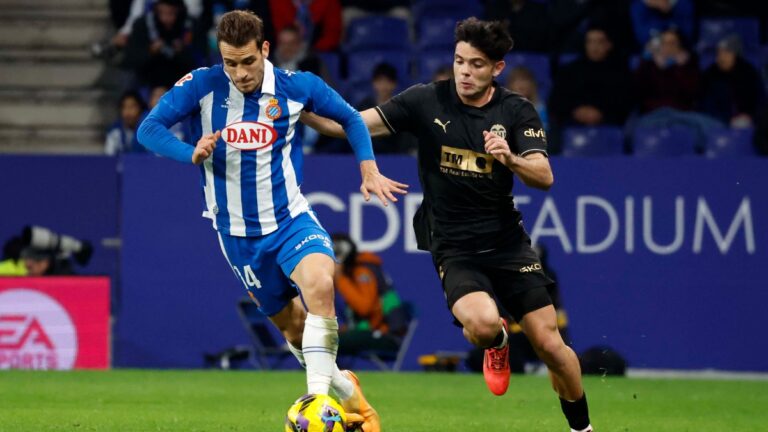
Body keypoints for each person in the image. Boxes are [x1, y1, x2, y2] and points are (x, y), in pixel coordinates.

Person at [302, 17, 593, 432]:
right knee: (483, 323)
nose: (465, 72)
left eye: (476, 64)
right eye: (459, 61)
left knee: (551, 345)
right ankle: (498, 344)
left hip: (507, 245)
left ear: (497, 68)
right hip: (454, 247)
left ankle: (582, 428)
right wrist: (300, 112)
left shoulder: (515, 110)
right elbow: (349, 123)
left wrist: (510, 158)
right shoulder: (426, 100)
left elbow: (544, 176)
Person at [137, 10, 407, 432]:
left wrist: (368, 167)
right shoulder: (204, 85)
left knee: (320, 282)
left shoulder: (296, 87)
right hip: (238, 236)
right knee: (298, 334)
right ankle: (347, 393)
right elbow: (148, 129)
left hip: (289, 219)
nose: (240, 73)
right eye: (230, 62)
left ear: (264, 49)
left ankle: (316, 405)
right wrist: (188, 151)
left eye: (247, 61)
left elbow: (353, 118)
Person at [331, 233, 405, 357]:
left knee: (323, 342)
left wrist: (340, 279)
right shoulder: (351, 272)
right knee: (321, 338)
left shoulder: (363, 271)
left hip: (383, 334)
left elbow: (365, 308)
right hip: (365, 331)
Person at [700, 35, 766, 128]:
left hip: (749, 123)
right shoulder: (710, 74)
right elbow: (705, 105)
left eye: (727, 53)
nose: (721, 58)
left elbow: (761, 102)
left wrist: (751, 117)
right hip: (718, 123)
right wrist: (728, 119)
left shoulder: (750, 73)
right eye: (719, 53)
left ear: (736, 55)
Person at [105, 90, 148, 155]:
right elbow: (109, 157)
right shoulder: (115, 132)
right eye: (124, 107)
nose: (128, 112)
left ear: (140, 109)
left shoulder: (148, 131)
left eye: (132, 107)